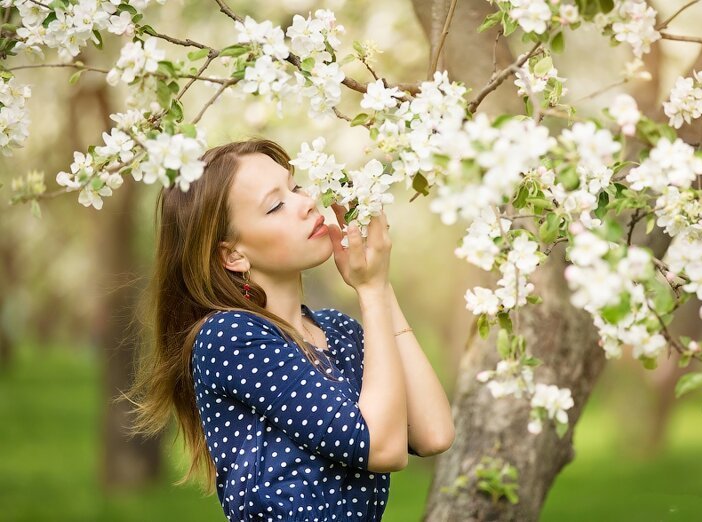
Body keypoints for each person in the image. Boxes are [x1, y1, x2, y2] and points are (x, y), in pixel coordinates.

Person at [122, 138, 455, 521]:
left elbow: (433, 433)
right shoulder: (230, 338)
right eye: (276, 205)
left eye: (295, 186)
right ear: (232, 254)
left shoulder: (337, 330)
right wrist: (371, 290)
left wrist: (380, 286)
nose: (307, 202)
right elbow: (381, 448)